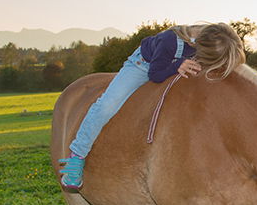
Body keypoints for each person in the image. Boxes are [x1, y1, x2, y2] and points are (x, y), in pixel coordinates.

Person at [58, 23, 244, 189]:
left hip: (174, 66)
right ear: (200, 48)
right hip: (142, 67)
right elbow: (155, 75)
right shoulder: (170, 41)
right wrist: (178, 65)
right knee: (107, 105)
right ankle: (77, 156)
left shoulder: (214, 37)